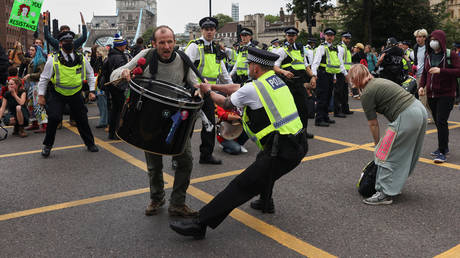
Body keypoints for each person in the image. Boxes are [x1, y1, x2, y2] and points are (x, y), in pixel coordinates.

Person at [169, 47, 307, 239]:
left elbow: (226, 103)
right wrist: (212, 86)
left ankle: (200, 224)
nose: (248, 67)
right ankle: (265, 202)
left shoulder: (254, 87)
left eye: (250, 64)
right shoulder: (274, 80)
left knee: (241, 185)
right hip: (296, 142)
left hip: (282, 150)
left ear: (256, 68)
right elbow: (236, 88)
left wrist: (208, 93)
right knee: (265, 166)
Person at [111, 25, 200, 217]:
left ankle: (177, 203)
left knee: (185, 161)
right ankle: (157, 198)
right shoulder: (146, 55)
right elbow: (114, 75)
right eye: (162, 42)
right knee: (154, 163)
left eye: (170, 42)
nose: (166, 46)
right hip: (150, 118)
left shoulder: (183, 59)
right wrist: (123, 74)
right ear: (154, 43)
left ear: (174, 42)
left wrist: (200, 88)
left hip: (176, 118)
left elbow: (195, 82)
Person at [348, 64, 427, 205]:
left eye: (352, 79)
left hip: (407, 115)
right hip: (419, 109)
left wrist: (377, 144)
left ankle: (384, 193)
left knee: (384, 153)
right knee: (405, 152)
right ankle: (394, 186)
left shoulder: (367, 93)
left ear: (356, 78)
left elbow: (373, 124)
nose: (351, 83)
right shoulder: (378, 81)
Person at [37, 31, 99, 157]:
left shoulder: (81, 58)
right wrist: (41, 95)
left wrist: (92, 91)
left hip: (76, 93)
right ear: (60, 44)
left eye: (71, 41)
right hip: (58, 93)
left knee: (82, 119)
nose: (69, 44)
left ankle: (90, 143)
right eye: (66, 42)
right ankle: (47, 146)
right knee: (54, 118)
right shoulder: (52, 59)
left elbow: (90, 74)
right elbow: (44, 78)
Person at [185, 17, 233, 165]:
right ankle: (179, 158)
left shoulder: (217, 49)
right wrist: (196, 86)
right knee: (187, 127)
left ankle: (206, 155)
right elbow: (185, 66)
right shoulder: (195, 46)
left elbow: (223, 72)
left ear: (215, 31)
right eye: (206, 29)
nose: (209, 32)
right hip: (194, 92)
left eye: (212, 29)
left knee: (210, 125)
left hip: (209, 94)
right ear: (202, 30)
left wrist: (231, 88)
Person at [419, 30, 460, 163]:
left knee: (441, 121)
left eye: (435, 39)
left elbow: (458, 70)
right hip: (431, 94)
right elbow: (425, 73)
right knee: (438, 121)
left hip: (446, 94)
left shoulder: (450, 55)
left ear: (441, 40)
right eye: (431, 39)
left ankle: (441, 152)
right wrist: (421, 86)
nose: (432, 42)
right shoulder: (428, 55)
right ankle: (444, 147)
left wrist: (441, 70)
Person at [273, 27, 314, 139]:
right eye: (289, 35)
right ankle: (290, 133)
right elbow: (275, 66)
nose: (291, 37)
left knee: (303, 108)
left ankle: (303, 132)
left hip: (300, 83)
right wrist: (284, 71)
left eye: (293, 35)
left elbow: (306, 66)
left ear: (296, 36)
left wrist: (313, 76)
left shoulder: (301, 49)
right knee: (289, 109)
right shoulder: (282, 50)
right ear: (286, 36)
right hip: (288, 84)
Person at [310, 28, 344, 127]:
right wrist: (314, 75)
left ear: (333, 37)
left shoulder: (333, 48)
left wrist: (334, 76)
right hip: (322, 75)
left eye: (331, 35)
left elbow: (334, 64)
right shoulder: (322, 47)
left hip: (329, 75)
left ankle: (325, 117)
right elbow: (315, 62)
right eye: (328, 35)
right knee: (322, 97)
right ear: (324, 36)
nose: (330, 37)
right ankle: (319, 119)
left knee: (328, 97)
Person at [104, 34, 131, 140]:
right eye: (124, 45)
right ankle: (116, 132)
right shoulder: (119, 57)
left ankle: (112, 132)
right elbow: (122, 72)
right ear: (120, 46)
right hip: (119, 87)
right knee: (119, 111)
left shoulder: (111, 55)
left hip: (112, 86)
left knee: (114, 110)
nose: (125, 46)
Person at [23, 45, 48, 133]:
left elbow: (42, 74)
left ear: (37, 51)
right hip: (31, 85)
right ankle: (35, 123)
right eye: (30, 50)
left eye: (32, 50)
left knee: (38, 105)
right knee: (30, 105)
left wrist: (30, 75)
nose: (30, 51)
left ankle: (45, 125)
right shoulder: (33, 60)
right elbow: (22, 59)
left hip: (38, 85)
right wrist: (18, 49)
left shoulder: (41, 61)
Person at [412, 29, 432, 119]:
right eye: (416, 37)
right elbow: (417, 60)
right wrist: (414, 66)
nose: (418, 39)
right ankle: (435, 116)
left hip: (427, 75)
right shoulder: (416, 47)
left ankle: (420, 119)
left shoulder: (429, 46)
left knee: (422, 96)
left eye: (420, 37)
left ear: (424, 37)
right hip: (418, 74)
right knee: (426, 100)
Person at [335, 31, 354, 117]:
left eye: (349, 38)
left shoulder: (346, 48)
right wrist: (346, 74)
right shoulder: (340, 47)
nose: (347, 40)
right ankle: (337, 111)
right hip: (341, 72)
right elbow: (340, 62)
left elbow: (348, 63)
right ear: (342, 38)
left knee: (345, 92)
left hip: (346, 72)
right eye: (346, 38)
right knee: (338, 92)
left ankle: (345, 109)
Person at [90, 45, 108, 129]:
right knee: (101, 102)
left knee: (102, 103)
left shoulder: (103, 61)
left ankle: (103, 121)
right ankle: (104, 120)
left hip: (101, 84)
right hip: (99, 84)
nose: (96, 54)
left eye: (98, 52)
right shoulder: (101, 60)